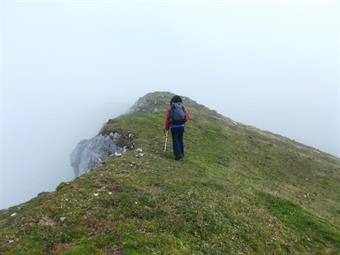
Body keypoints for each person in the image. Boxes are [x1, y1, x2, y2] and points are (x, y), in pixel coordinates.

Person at [164, 95, 190, 160]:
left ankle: (178, 155)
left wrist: (167, 127)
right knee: (180, 140)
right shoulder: (182, 107)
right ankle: (182, 153)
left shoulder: (171, 107)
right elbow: (187, 117)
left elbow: (168, 118)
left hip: (174, 126)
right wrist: (182, 122)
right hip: (181, 126)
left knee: (175, 140)